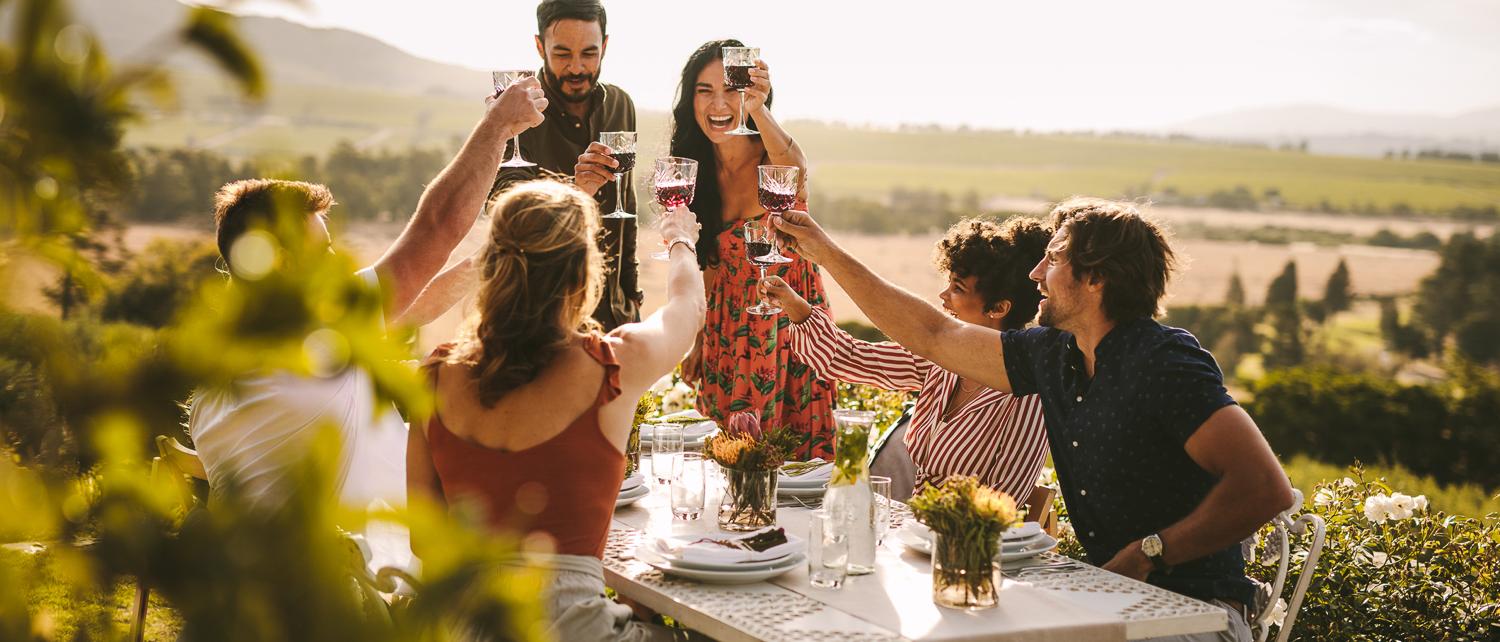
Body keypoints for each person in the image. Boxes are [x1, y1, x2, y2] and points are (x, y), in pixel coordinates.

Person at [773, 198, 1295, 642]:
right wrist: (821, 250)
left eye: (1053, 260)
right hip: (1111, 598)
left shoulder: (1163, 363)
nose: (1035, 274)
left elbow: (1264, 488)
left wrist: (1147, 553)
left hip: (1194, 614)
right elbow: (935, 336)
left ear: (1096, 278)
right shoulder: (1054, 356)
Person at [189, 78, 547, 520]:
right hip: (369, 581)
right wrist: (497, 127)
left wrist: (506, 249)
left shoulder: (219, 371)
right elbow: (437, 227)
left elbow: (413, 306)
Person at [406, 181, 704, 641]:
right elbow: (688, 307)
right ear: (584, 275)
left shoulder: (434, 378)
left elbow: (424, 542)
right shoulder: (614, 363)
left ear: (490, 268)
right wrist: (681, 238)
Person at [762, 217, 1051, 503]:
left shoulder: (1027, 396)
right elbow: (849, 358)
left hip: (965, 540)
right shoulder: (940, 363)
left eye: (958, 288)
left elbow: (1001, 501)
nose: (943, 295)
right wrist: (796, 308)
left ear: (998, 308)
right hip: (913, 531)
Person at [669, 39, 835, 459]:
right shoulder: (693, 167)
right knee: (732, 458)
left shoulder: (773, 155)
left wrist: (759, 108)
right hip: (729, 326)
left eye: (731, 89)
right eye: (704, 91)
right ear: (690, 99)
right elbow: (710, 260)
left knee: (796, 467)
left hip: (790, 322)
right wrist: (699, 338)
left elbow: (795, 167)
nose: (717, 103)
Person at [492, 0, 641, 331]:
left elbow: (625, 209)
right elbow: (505, 219)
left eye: (589, 53)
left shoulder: (621, 104)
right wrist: (576, 192)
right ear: (539, 46)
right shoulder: (514, 111)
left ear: (604, 45)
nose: (577, 68)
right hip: (539, 320)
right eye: (562, 54)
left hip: (614, 316)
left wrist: (632, 298)